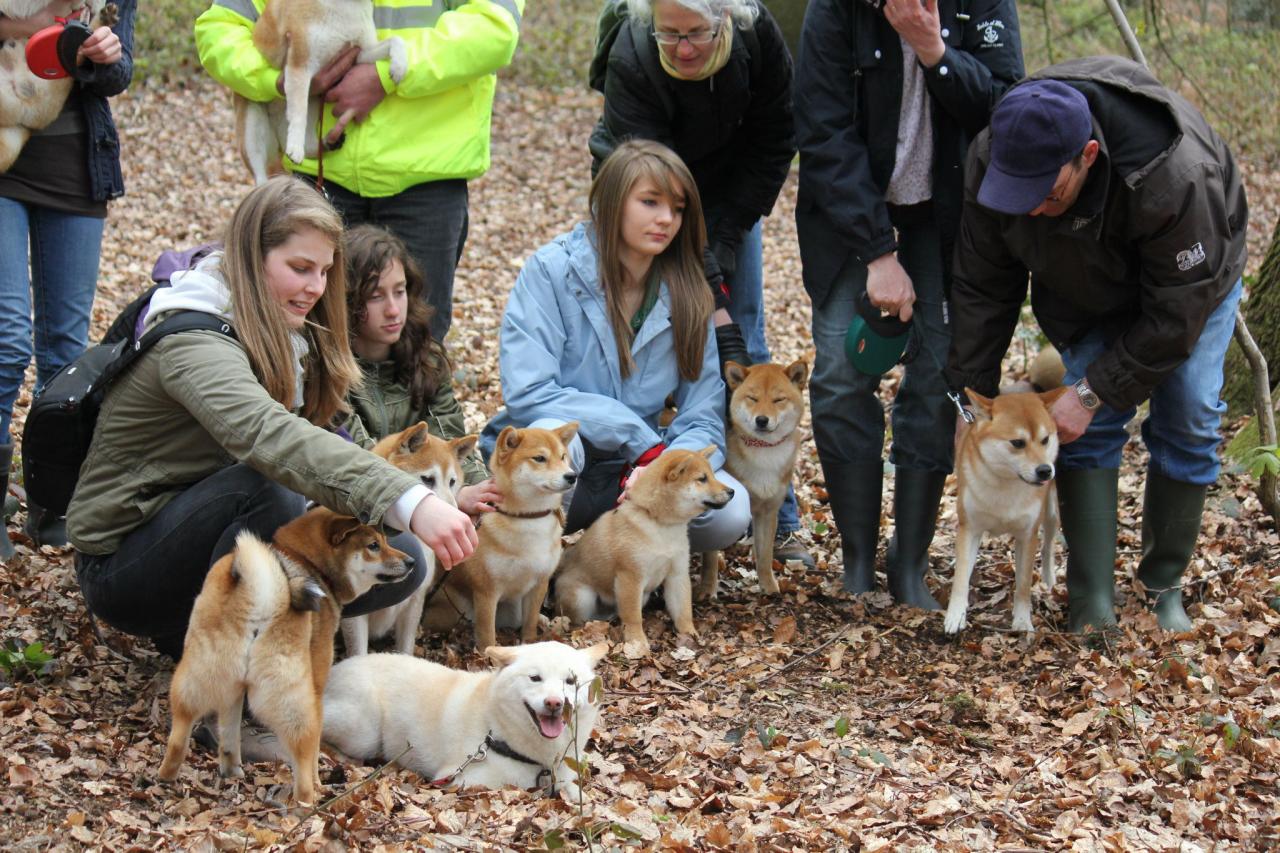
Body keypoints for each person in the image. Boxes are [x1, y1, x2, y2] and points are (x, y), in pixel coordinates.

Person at [68, 178, 478, 658]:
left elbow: (323, 434)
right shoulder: (194, 344)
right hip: (123, 567)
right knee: (267, 490)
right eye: (300, 268)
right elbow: (270, 436)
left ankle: (252, 639)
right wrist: (407, 496)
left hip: (202, 523)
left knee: (401, 559)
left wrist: (396, 507)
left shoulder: (285, 332)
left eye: (325, 271)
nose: (315, 287)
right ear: (249, 258)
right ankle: (223, 677)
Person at [945, 56, 1248, 633]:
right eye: (1017, 194)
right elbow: (983, 285)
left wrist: (1093, 391)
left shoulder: (1174, 175)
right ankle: (1090, 599)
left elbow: (1176, 312)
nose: (1030, 206)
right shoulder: (995, 156)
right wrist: (970, 395)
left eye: (1046, 193)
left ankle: (1162, 585)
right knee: (1076, 427)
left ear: (1086, 155)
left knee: (1190, 416)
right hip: (1082, 288)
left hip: (1191, 287)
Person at [794, 0, 1023, 606]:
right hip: (848, 222)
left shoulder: (982, 6)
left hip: (949, 222)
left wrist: (934, 51)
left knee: (937, 379)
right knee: (843, 375)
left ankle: (911, 562)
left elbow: (1005, 109)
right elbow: (821, 135)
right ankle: (858, 557)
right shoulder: (835, 12)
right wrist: (876, 253)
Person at [587, 0, 808, 565]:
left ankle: (775, 516)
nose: (682, 48)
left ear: (727, 22)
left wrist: (725, 238)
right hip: (647, 197)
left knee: (745, 348)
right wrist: (682, 246)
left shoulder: (759, 41)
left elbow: (775, 139)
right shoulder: (634, 49)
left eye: (696, 34)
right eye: (670, 35)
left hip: (732, 198)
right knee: (649, 340)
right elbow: (638, 163)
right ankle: (640, 500)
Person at [194, 0, 523, 342]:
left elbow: (494, 28)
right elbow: (219, 28)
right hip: (317, 174)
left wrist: (387, 76)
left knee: (415, 348)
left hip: (425, 176)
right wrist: (280, 80)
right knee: (309, 346)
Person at [482, 139, 750, 553]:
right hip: (564, 458)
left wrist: (664, 468)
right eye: (650, 202)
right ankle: (534, 564)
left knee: (728, 515)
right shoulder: (551, 272)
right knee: (563, 442)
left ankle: (618, 558)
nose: (666, 219)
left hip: (636, 470)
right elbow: (530, 393)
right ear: (610, 203)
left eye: (678, 209)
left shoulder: (690, 291)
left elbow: (702, 415)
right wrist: (639, 441)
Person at [0, 0, 136, 555]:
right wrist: (33, 26)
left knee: (65, 350)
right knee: (6, 339)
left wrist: (103, 55)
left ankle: (52, 500)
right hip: (5, 160)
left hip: (79, 166)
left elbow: (120, 73)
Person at [342, 223, 499, 514]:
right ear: (347, 300)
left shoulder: (427, 360)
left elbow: (450, 440)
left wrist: (472, 490)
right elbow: (359, 458)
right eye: (376, 296)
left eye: (399, 292)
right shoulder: (330, 367)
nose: (392, 309)